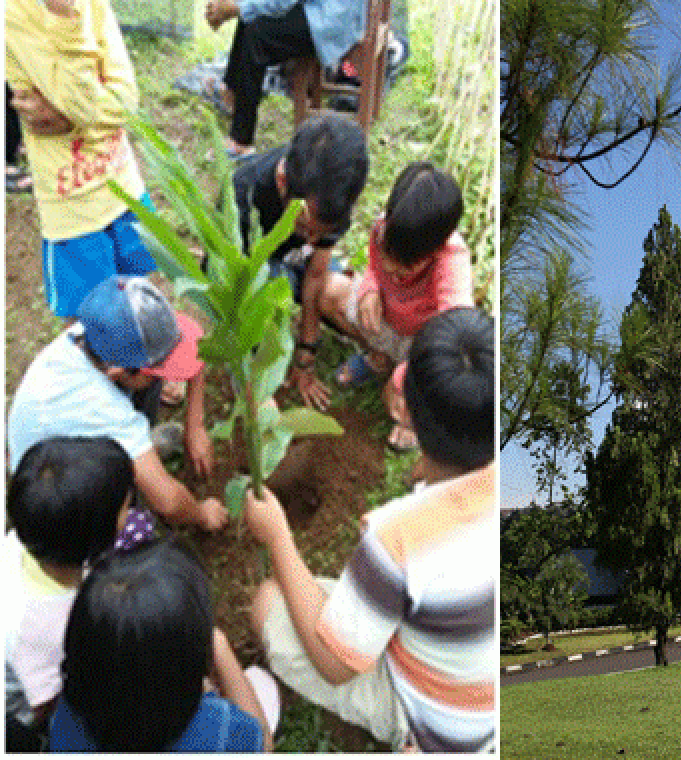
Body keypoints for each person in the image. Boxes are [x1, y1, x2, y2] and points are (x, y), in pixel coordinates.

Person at [244, 307, 496, 752]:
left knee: (268, 601)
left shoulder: (396, 536)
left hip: (432, 728)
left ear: (409, 413)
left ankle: (403, 734)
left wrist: (279, 537)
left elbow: (335, 665)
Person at [7, 275, 227, 532]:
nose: (169, 376)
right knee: (140, 530)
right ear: (116, 372)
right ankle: (135, 467)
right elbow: (169, 503)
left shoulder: (93, 335)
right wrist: (202, 513)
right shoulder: (103, 410)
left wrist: (195, 424)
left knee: (149, 379)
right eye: (158, 367)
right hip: (54, 501)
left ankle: (139, 456)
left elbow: (192, 345)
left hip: (62, 445)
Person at [5, 0, 159, 319]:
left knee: (139, 307)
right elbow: (85, 105)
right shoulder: (8, 2)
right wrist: (62, 13)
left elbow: (127, 98)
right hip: (74, 209)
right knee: (92, 328)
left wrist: (70, 117)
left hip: (124, 186)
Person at [45, 539, 274, 752]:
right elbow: (263, 745)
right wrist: (220, 648)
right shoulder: (222, 729)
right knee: (263, 688)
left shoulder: (66, 718)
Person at [318, 162, 474, 451]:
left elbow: (454, 343)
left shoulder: (452, 265)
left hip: (422, 344)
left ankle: (412, 417)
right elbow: (375, 268)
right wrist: (370, 287)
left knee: (437, 381)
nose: (390, 266)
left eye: (404, 265)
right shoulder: (386, 227)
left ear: (436, 248)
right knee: (328, 291)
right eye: (389, 254)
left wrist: (404, 376)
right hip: (386, 322)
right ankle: (378, 357)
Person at [231, 112, 369, 410]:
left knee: (343, 298)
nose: (312, 237)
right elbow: (233, 287)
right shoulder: (243, 195)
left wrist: (305, 355)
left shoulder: (335, 199)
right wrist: (259, 377)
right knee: (267, 281)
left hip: (293, 265)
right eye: (305, 228)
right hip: (249, 272)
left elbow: (317, 274)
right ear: (283, 182)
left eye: (321, 233)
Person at [4, 437, 137, 739]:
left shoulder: (31, 533)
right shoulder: (43, 631)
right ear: (97, 539)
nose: (128, 512)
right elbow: (46, 703)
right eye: (125, 507)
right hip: (23, 704)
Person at [205, 0, 368, 157]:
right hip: (318, 1)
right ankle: (233, 95)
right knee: (250, 17)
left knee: (256, 34)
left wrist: (237, 9)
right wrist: (232, 2)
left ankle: (241, 142)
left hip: (332, 15)